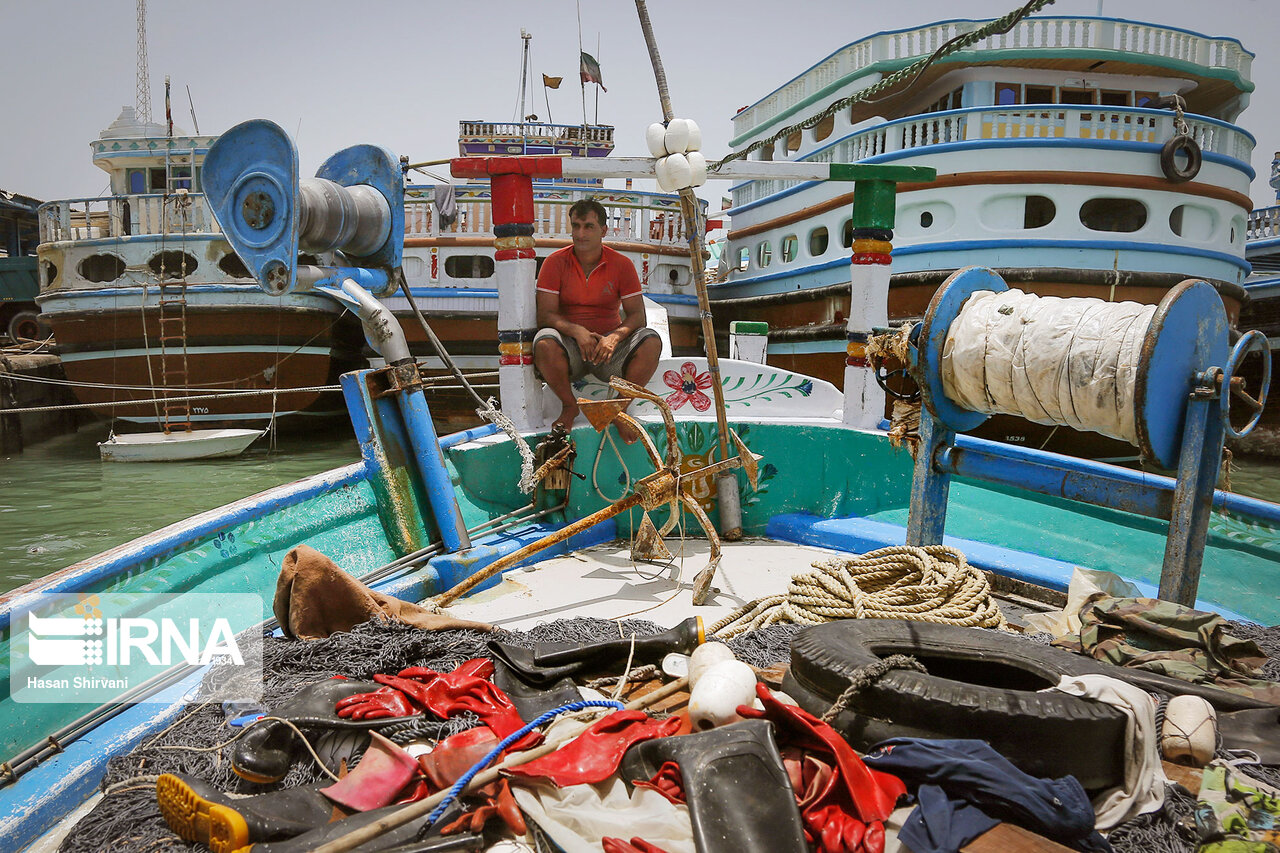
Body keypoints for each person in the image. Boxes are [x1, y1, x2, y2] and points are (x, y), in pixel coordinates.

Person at [533, 198, 661, 443]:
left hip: (609, 353)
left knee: (651, 341)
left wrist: (614, 337)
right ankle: (569, 407)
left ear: (603, 230)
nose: (580, 234)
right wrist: (578, 332)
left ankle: (619, 410)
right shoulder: (554, 263)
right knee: (544, 343)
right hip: (571, 351)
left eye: (588, 226)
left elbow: (637, 316)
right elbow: (545, 315)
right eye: (576, 226)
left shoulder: (622, 264)